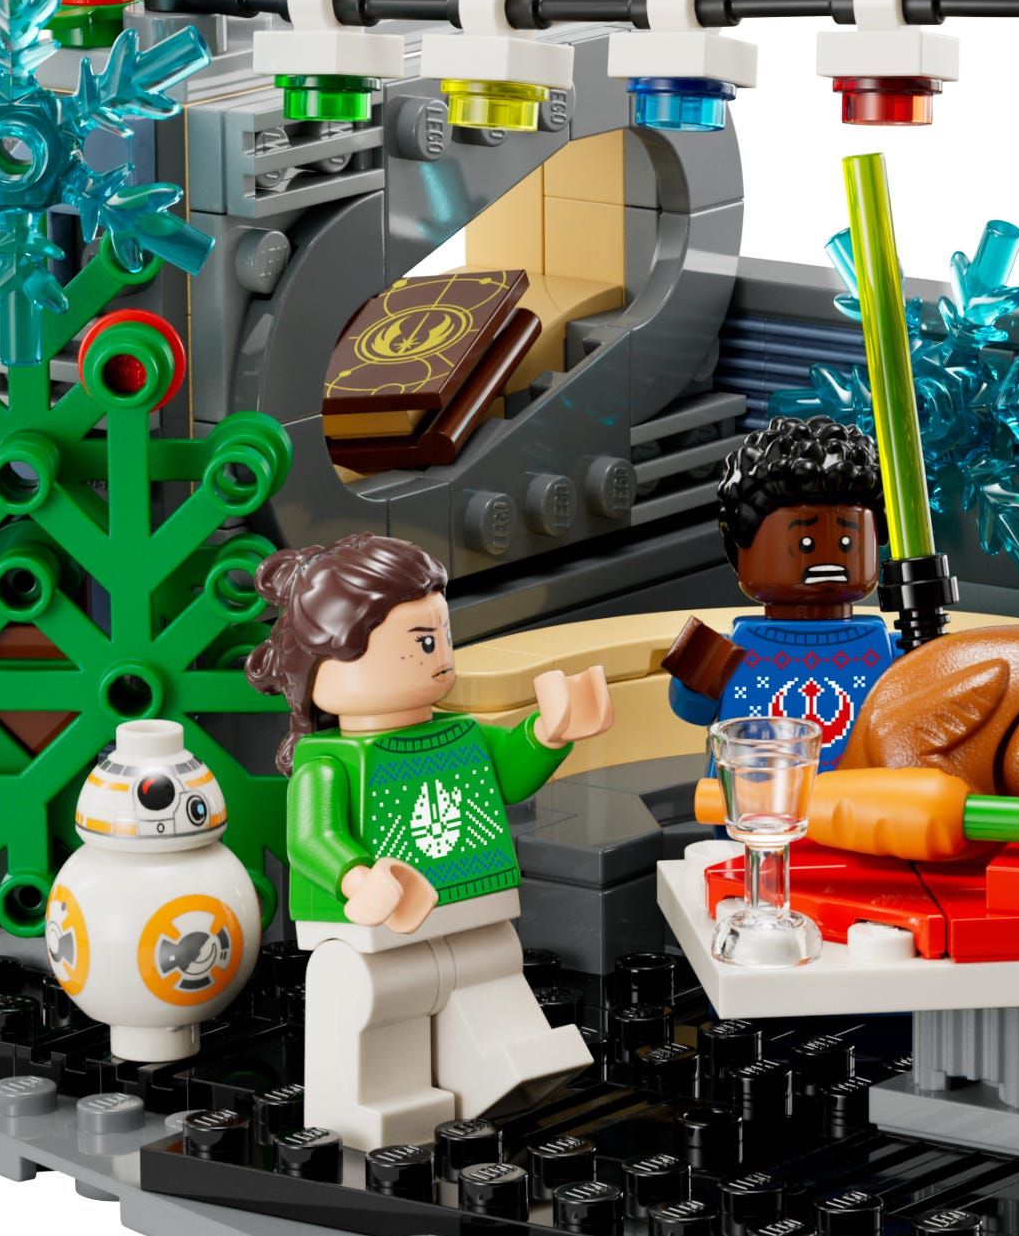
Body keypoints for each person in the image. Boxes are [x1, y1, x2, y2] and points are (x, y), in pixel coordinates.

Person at [245, 533, 613, 1147]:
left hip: (473, 909)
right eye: (421, 642)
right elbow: (312, 835)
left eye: (442, 636)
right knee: (380, 1007)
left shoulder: (459, 734)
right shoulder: (330, 761)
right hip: (378, 930)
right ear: (330, 664)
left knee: (492, 977)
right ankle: (384, 1111)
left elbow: (508, 773)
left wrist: (549, 733)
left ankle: (504, 1072)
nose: (439, 654)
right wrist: (355, 875)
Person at [663, 416, 890, 768]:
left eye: (846, 542)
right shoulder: (729, 648)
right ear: (737, 548)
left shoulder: (885, 647)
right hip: (753, 794)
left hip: (864, 796)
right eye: (805, 543)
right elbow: (691, 709)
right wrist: (694, 673)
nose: (826, 559)